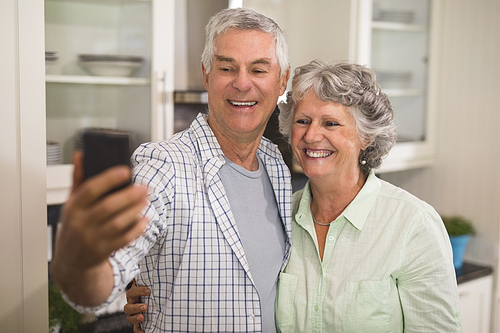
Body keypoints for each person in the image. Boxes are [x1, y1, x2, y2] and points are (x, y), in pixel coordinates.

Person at [125, 60, 462, 332]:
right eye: (303, 120)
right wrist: (153, 295)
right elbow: (231, 283)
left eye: (331, 124)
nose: (312, 135)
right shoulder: (282, 214)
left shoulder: (411, 224)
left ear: (366, 138)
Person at [51, 7, 291, 333]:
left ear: (282, 81)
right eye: (226, 67)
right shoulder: (165, 167)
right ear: (206, 74)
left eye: (259, 70)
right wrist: (78, 258)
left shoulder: (276, 165)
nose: (242, 83)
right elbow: (101, 282)